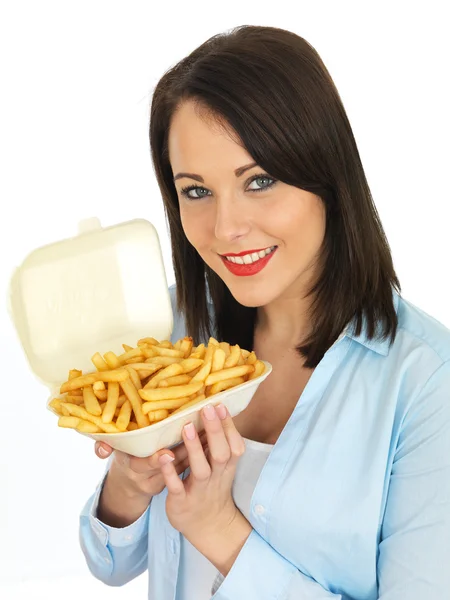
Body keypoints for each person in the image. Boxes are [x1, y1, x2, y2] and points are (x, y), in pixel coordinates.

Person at [79, 24, 450, 599]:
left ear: (326, 174)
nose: (226, 229)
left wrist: (218, 528)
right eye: (196, 191)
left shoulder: (428, 384)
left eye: (260, 180)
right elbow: (110, 562)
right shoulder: (174, 331)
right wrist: (128, 485)